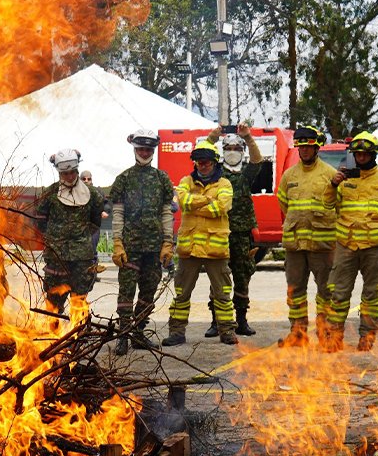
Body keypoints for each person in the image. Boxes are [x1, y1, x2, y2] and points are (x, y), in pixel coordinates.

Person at [162, 140, 237, 347]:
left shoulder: (225, 184)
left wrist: (195, 203)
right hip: (189, 250)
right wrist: (205, 201)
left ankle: (227, 331)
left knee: (222, 294)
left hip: (216, 250)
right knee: (181, 294)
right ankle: (176, 332)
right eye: (199, 162)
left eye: (206, 162)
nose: (202, 165)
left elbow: (221, 208)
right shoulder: (186, 181)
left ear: (214, 162)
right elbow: (183, 202)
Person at [323, 131, 378, 352]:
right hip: (347, 246)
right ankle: (334, 337)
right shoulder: (344, 179)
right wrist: (332, 185)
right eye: (357, 154)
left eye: (365, 154)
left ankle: (367, 337)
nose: (360, 158)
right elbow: (328, 205)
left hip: (374, 247)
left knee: (371, 294)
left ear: (373, 154)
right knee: (339, 293)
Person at [109, 129, 175, 355]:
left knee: (148, 291)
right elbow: (117, 214)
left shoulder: (162, 179)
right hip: (130, 247)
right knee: (126, 292)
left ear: (153, 151)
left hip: (154, 247)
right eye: (141, 148)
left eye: (148, 149)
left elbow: (167, 213)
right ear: (135, 150)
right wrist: (117, 242)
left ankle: (138, 333)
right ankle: (123, 336)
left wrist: (168, 242)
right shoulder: (124, 179)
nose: (144, 152)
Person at [200, 123, 266, 337]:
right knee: (218, 278)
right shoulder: (215, 175)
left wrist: (248, 137)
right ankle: (215, 321)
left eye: (237, 149)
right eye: (228, 148)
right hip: (219, 233)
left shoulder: (245, 176)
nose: (232, 152)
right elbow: (202, 156)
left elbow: (258, 160)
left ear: (242, 152)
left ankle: (241, 320)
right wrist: (212, 137)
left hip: (241, 236)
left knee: (242, 276)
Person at [275, 125, 336, 347]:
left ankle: (326, 334)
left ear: (317, 147)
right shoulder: (289, 175)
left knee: (326, 292)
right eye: (301, 146)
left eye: (309, 147)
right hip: (295, 246)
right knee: (296, 291)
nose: (304, 151)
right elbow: (283, 202)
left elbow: (338, 205)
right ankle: (298, 334)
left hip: (322, 245)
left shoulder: (329, 174)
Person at [35, 149, 104, 317]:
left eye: (73, 172)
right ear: (60, 173)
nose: (70, 176)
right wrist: (54, 239)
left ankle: (77, 336)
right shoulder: (50, 194)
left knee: (79, 300)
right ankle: (53, 336)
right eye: (65, 173)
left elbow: (96, 221)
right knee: (53, 301)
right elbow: (39, 220)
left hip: (82, 258)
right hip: (56, 256)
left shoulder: (92, 194)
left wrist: (81, 239)